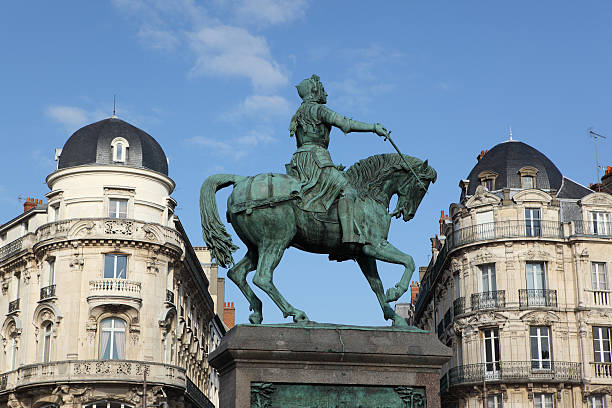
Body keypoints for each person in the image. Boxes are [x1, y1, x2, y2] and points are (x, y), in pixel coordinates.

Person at [288, 74, 388, 244]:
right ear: (315, 91)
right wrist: (373, 128)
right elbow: (345, 124)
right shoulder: (319, 110)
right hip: (316, 159)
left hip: (299, 160)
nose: (326, 94)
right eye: (323, 90)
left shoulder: (298, 114)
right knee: (347, 190)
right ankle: (349, 235)